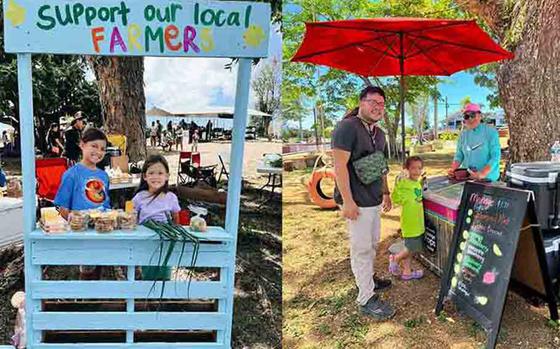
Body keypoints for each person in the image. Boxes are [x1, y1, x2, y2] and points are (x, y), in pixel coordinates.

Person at [331, 86, 395, 321]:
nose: (378, 107)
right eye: (373, 102)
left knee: (373, 243)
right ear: (361, 102)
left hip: (374, 198)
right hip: (355, 201)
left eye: (382, 104)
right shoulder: (346, 127)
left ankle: (369, 279)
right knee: (361, 247)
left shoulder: (379, 134)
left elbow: (381, 164)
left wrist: (386, 192)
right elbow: (339, 167)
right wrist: (348, 201)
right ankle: (366, 297)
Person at [54, 128, 110, 280]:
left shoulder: (104, 176)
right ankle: (85, 301)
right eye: (94, 146)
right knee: (86, 269)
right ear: (82, 145)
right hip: (82, 234)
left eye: (103, 149)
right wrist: (74, 219)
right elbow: (61, 207)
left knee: (101, 267)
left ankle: (97, 299)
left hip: (102, 231)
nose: (98, 152)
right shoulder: (72, 174)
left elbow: (105, 204)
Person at [132, 155, 181, 280]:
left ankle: (162, 296)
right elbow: (133, 218)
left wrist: (174, 233)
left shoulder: (171, 197)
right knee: (147, 271)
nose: (156, 177)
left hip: (164, 241)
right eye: (151, 173)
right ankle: (148, 297)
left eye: (160, 173)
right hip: (145, 241)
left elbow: (176, 219)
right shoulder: (139, 197)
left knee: (164, 272)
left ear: (167, 176)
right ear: (144, 176)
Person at [389, 156, 425, 281]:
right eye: (413, 168)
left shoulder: (417, 184)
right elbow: (396, 198)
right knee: (411, 248)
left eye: (419, 168)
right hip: (410, 223)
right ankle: (396, 259)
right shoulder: (404, 183)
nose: (417, 171)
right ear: (406, 169)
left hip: (418, 222)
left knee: (410, 250)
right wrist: (399, 184)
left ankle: (407, 272)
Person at [448, 103, 501, 181]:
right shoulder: (463, 135)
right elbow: (459, 156)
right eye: (466, 116)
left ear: (480, 116)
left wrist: (482, 173)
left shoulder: (491, 132)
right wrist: (453, 169)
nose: (470, 119)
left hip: (488, 179)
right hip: (468, 178)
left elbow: (495, 157)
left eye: (473, 115)